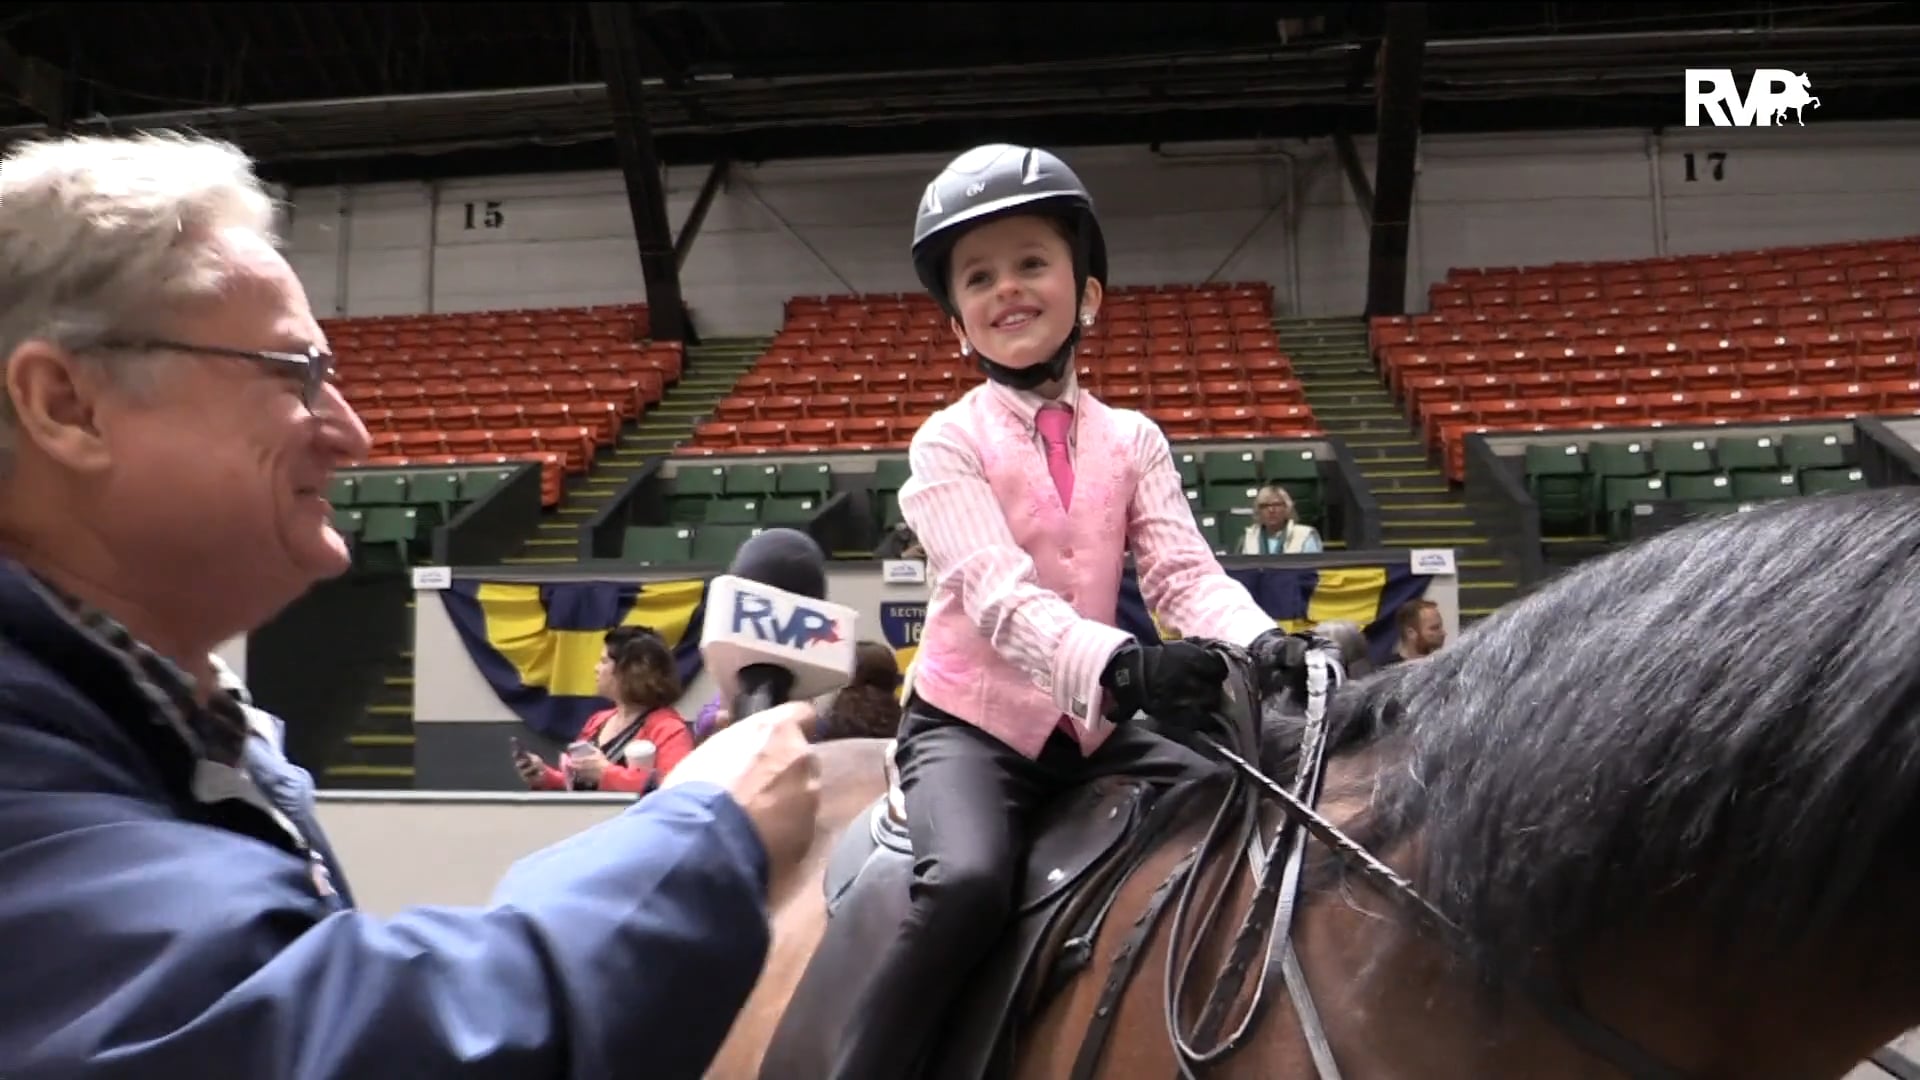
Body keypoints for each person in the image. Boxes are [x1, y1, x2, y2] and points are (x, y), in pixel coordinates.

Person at [0, 132, 820, 1079]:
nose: (351, 433)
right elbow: (322, 1044)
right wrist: (707, 830)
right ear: (67, 405)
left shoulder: (169, 721)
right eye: (296, 374)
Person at [827, 143, 1298, 1079]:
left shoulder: (1135, 438)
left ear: (1086, 294)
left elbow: (1181, 575)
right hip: (972, 731)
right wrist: (1127, 668)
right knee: (961, 886)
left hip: (1092, 731)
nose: (1008, 287)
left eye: (1031, 262)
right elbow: (999, 599)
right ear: (957, 320)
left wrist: (1263, 641)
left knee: (1250, 808)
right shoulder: (944, 444)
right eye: (979, 276)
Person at [514, 626, 694, 793]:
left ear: (631, 671)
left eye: (604, 661)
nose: (596, 668)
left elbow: (672, 789)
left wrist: (606, 773)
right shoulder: (598, 721)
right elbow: (577, 783)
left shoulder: (669, 729)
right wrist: (546, 777)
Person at [1238, 484, 1323, 554]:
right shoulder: (1248, 538)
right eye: (1265, 506)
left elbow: (1311, 570)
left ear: (1287, 508)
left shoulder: (1304, 535)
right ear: (1258, 511)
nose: (1271, 510)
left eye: (1276, 505)